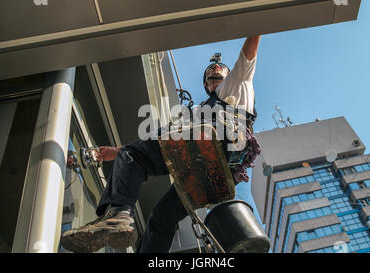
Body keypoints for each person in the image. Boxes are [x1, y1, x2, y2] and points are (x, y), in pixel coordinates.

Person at [60, 35, 262, 253]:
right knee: (161, 216)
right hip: (200, 170)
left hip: (215, 147)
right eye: (210, 77)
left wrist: (255, 25)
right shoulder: (195, 114)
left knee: (134, 155)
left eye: (219, 72)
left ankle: (117, 215)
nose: (214, 75)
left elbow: (249, 51)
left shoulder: (237, 85)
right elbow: (158, 143)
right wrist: (118, 153)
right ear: (206, 84)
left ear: (228, 75)